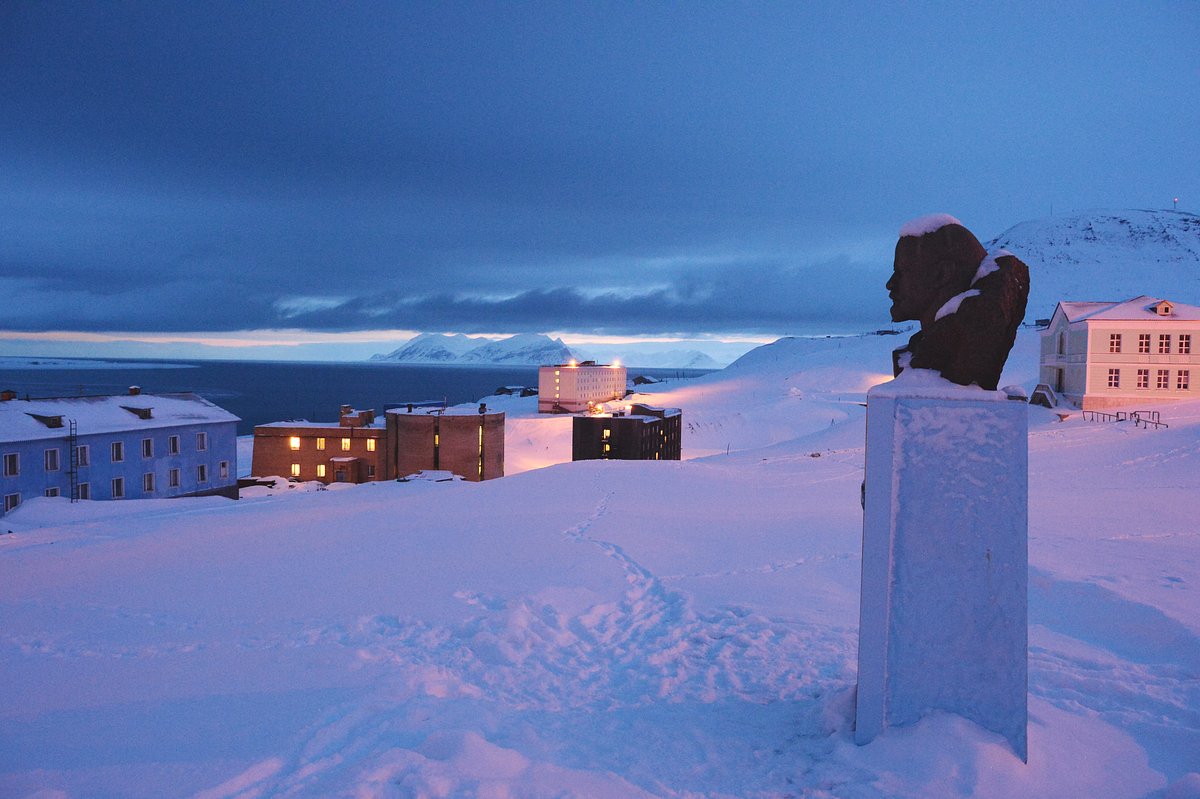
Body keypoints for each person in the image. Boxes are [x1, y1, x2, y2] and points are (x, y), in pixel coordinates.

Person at [887, 217, 1029, 391]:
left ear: (942, 274)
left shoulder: (959, 350)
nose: (890, 284)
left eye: (902, 271)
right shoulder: (920, 349)